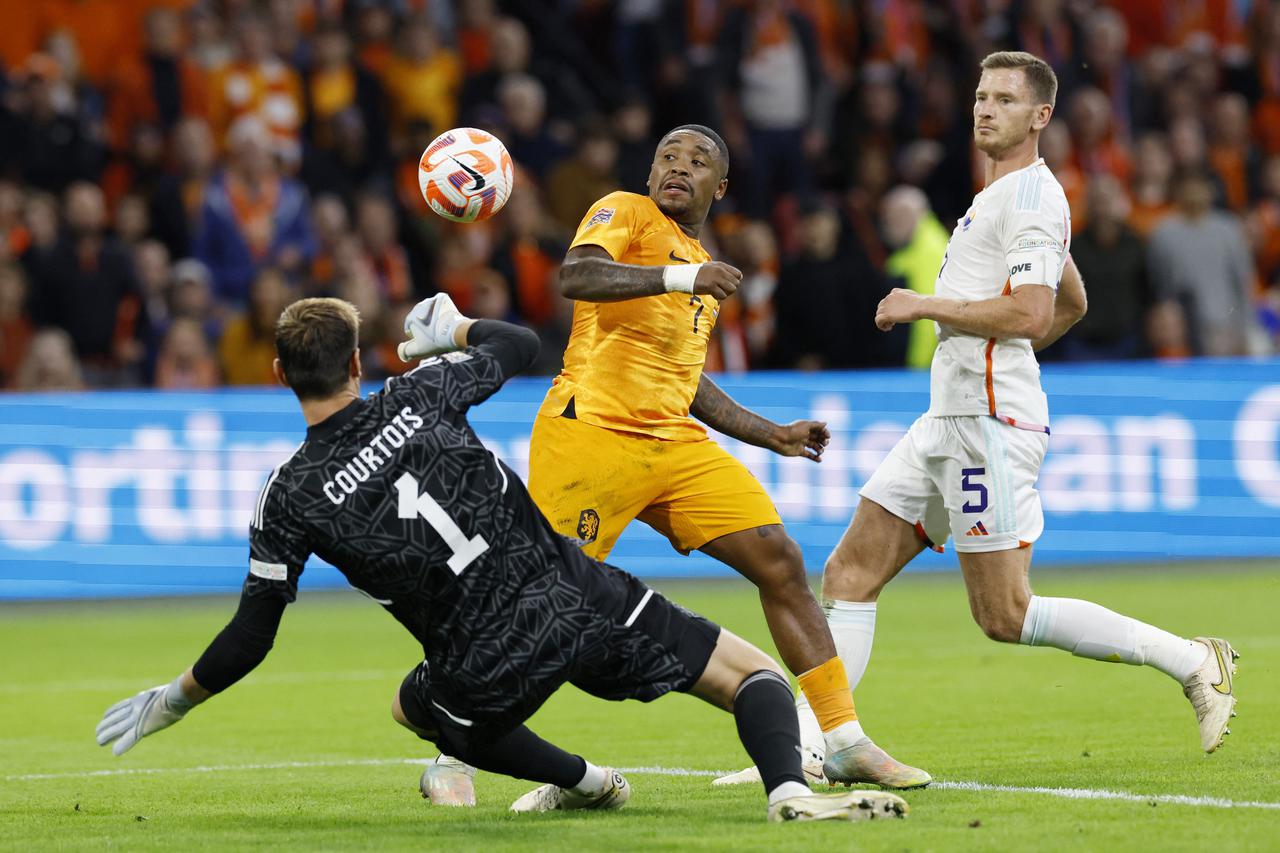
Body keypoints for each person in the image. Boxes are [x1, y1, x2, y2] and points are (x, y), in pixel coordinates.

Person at [93, 294, 908, 825]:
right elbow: (519, 342)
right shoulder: (418, 393)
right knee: (753, 676)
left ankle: (588, 779)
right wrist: (446, 333)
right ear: (356, 363)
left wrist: (175, 698)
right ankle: (789, 791)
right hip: (574, 596)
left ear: (277, 376)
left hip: (481, 664)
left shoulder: (290, 495)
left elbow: (250, 638)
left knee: (419, 708)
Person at [795, 51, 1237, 765]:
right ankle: (810, 747)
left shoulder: (1034, 197)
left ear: (1041, 116)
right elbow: (1072, 301)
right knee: (848, 573)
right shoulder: (999, 193)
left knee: (1003, 613)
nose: (984, 109)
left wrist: (924, 306)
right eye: (979, 96)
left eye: (1003, 98)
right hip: (947, 419)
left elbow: (1034, 313)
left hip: (987, 427)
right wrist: (1009, 352)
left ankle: (1194, 661)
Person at [516, 123, 928, 794]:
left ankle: (842, 737)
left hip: (675, 445)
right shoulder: (627, 212)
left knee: (780, 557)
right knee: (536, 604)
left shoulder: (698, 262)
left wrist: (771, 433)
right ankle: (460, 747)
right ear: (650, 174)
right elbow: (577, 275)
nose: (678, 166)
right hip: (590, 434)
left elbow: (687, 381)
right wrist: (684, 277)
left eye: (698, 159)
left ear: (721, 185)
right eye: (667, 156)